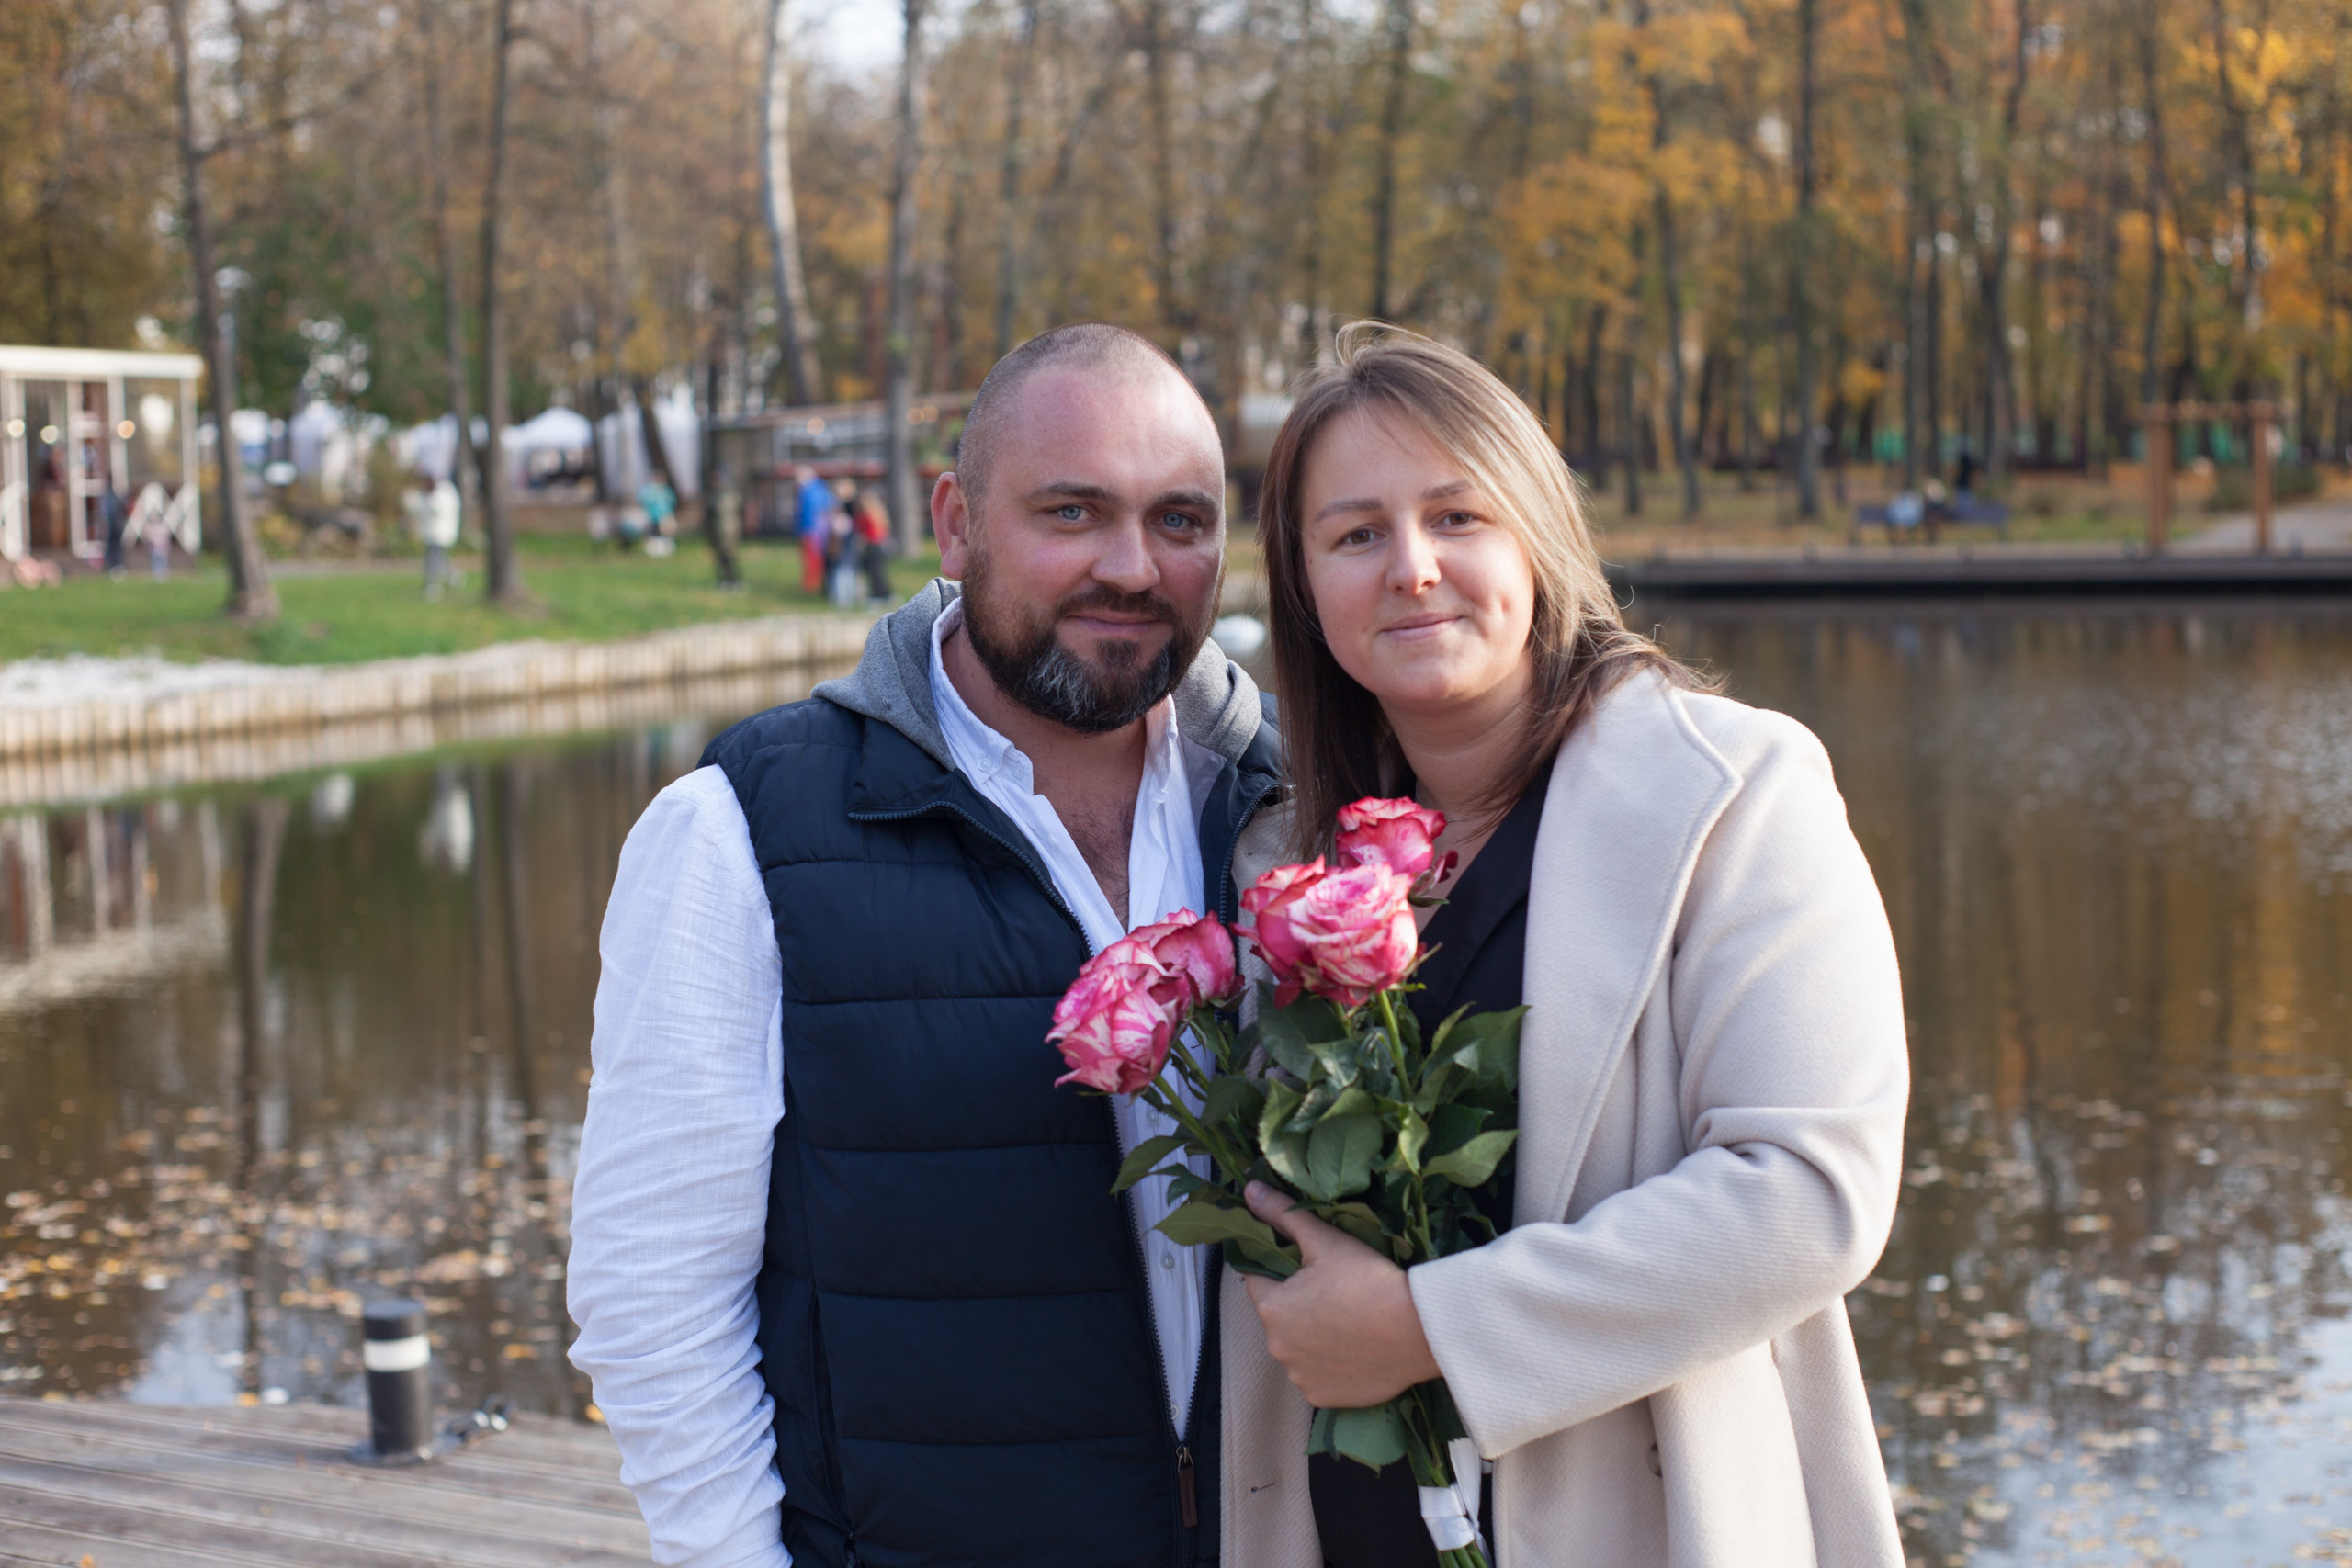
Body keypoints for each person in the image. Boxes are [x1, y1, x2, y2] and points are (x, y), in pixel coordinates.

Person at [568, 322, 1280, 1568]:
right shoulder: (743, 829)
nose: (1132, 566)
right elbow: (652, 1293)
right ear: (955, 525)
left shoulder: (1293, 809)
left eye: (1180, 520)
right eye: (1071, 511)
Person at [1222, 326, 1907, 1568]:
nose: (1412, 568)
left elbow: (1811, 1193)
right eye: (1356, 534)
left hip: (1646, 1517)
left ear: (1536, 534)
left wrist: (1431, 1327)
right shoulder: (1282, 863)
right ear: (1304, 585)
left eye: (1456, 516)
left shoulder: (1734, 795)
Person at [403, 470, 463, 599]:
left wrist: (429, 499)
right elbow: (417, 510)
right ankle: (453, 576)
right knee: (439, 558)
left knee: (434, 559)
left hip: (441, 533)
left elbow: (438, 509)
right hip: (431, 534)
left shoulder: (444, 492)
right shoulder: (425, 495)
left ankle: (434, 585)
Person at [794, 463, 834, 593]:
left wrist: (804, 530)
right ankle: (815, 585)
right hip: (820, 530)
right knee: (815, 559)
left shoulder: (809, 491)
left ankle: (811, 587)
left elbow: (807, 513)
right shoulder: (821, 488)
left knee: (812, 559)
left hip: (811, 531)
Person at [852, 484, 894, 604]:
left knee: (875, 572)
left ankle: (879, 595)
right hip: (878, 545)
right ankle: (884, 594)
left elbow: (868, 531)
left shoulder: (868, 514)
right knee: (878, 572)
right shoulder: (879, 512)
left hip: (872, 545)